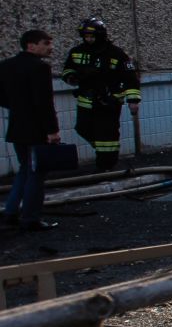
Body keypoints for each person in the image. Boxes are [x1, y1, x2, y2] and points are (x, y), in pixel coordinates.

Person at [1, 30, 63, 230]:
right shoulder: (39, 68)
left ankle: (10, 212)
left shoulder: (6, 66)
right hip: (36, 129)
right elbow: (44, 102)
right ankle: (31, 218)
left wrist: (17, 107)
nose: (50, 47)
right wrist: (52, 130)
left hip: (17, 126)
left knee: (24, 169)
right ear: (31, 45)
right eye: (45, 43)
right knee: (36, 173)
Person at [61, 16, 139, 172]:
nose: (89, 39)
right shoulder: (77, 52)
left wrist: (133, 100)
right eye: (86, 36)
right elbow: (67, 69)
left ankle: (106, 165)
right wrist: (72, 77)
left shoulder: (116, 54)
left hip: (108, 101)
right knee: (82, 128)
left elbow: (130, 78)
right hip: (86, 99)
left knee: (107, 136)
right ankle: (106, 158)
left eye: (92, 36)